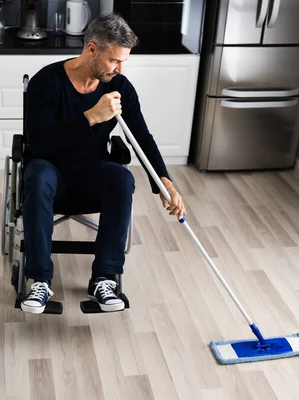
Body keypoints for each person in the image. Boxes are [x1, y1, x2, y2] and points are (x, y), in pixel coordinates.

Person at [20, 12, 187, 314]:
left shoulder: (119, 87)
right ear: (92, 49)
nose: (119, 69)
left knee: (121, 178)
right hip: (49, 173)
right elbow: (39, 143)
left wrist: (164, 181)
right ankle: (40, 280)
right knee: (39, 173)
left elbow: (142, 137)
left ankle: (104, 278)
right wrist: (91, 117)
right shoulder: (46, 83)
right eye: (114, 61)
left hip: (90, 172)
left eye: (123, 61)